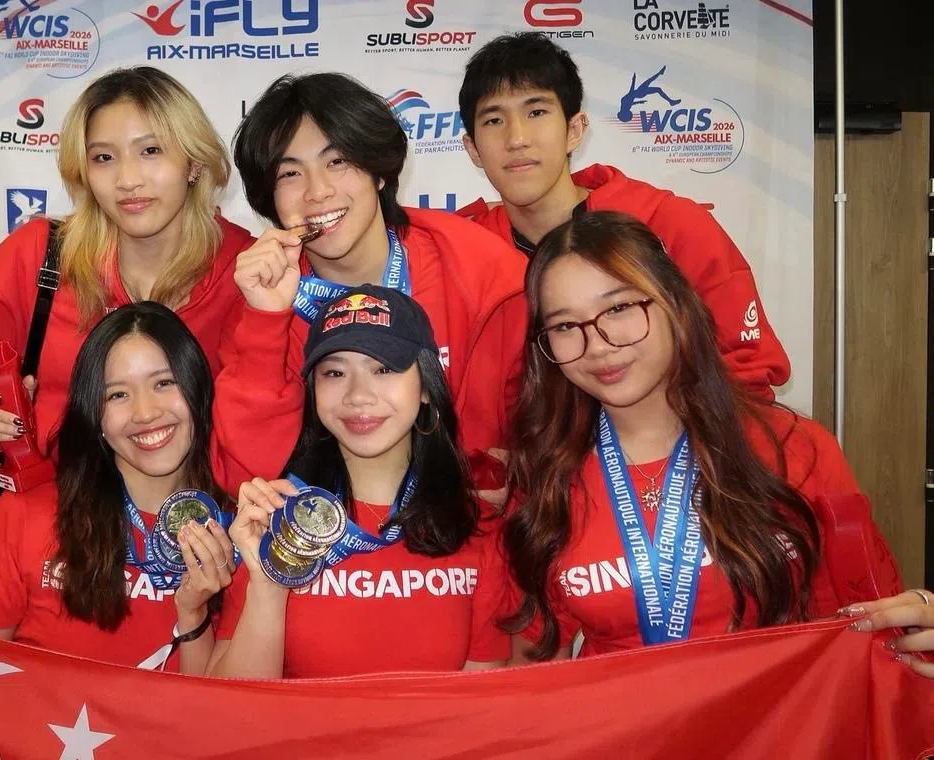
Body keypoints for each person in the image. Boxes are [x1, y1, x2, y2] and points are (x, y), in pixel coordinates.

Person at [501, 211, 900, 661]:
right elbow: (535, 667)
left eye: (619, 308)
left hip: (780, 725)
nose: (598, 344)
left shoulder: (793, 447)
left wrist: (920, 616)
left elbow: (870, 622)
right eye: (565, 326)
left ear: (675, 303)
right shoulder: (546, 477)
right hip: (621, 728)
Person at [211, 72, 528, 494]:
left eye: (337, 161)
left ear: (379, 172)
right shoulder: (265, 303)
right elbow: (247, 478)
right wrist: (267, 322)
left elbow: (534, 444)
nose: (317, 192)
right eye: (289, 174)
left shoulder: (480, 274)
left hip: (465, 541)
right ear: (269, 199)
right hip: (337, 546)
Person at [0, 66, 253, 462]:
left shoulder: (248, 270)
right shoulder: (35, 256)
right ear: (84, 173)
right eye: (104, 158)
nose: (127, 179)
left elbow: (266, 425)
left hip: (195, 516)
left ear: (193, 162)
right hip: (52, 512)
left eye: (150, 151)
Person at [456, 32, 788, 397]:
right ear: (472, 148)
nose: (517, 139)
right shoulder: (464, 253)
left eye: (536, 112)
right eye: (493, 121)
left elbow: (747, 375)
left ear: (574, 130)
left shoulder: (671, 225)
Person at [207, 286, 510, 678]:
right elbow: (230, 715)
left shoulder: (477, 526)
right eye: (334, 373)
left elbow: (482, 711)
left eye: (383, 369)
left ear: (426, 389)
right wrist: (269, 583)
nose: (358, 396)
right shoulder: (277, 521)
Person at [0, 303, 235, 672]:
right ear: (94, 414)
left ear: (198, 391)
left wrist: (193, 612)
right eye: (117, 394)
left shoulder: (239, 524)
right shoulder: (28, 513)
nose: (145, 412)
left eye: (164, 383)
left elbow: (219, 713)